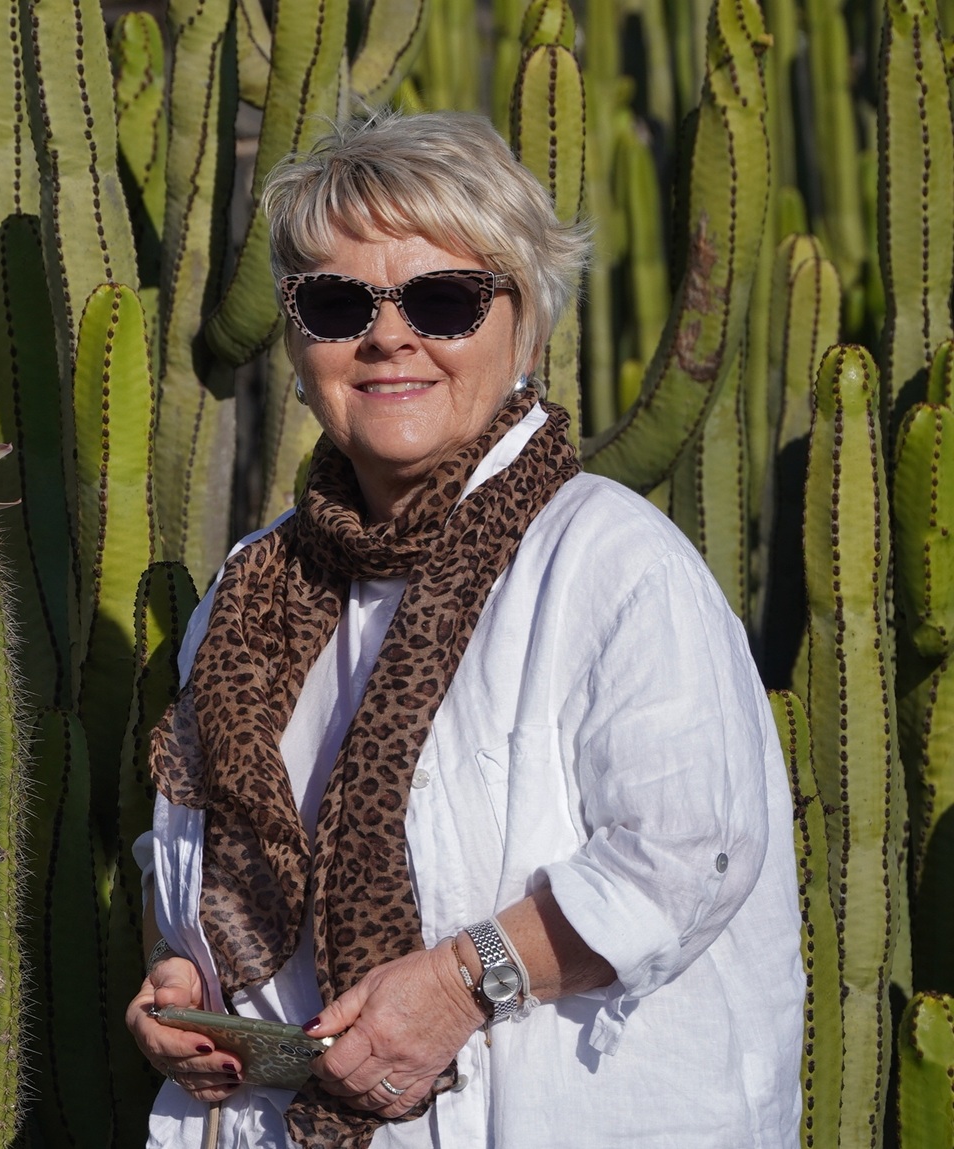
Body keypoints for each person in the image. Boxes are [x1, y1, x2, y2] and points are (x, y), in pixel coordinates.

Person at [124, 109, 804, 1148]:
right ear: (297, 338)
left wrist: (460, 982)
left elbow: (690, 853)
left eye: (443, 300)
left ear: (524, 327)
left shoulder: (611, 561)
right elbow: (180, 857)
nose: (387, 337)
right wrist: (176, 980)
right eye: (337, 303)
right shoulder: (252, 589)